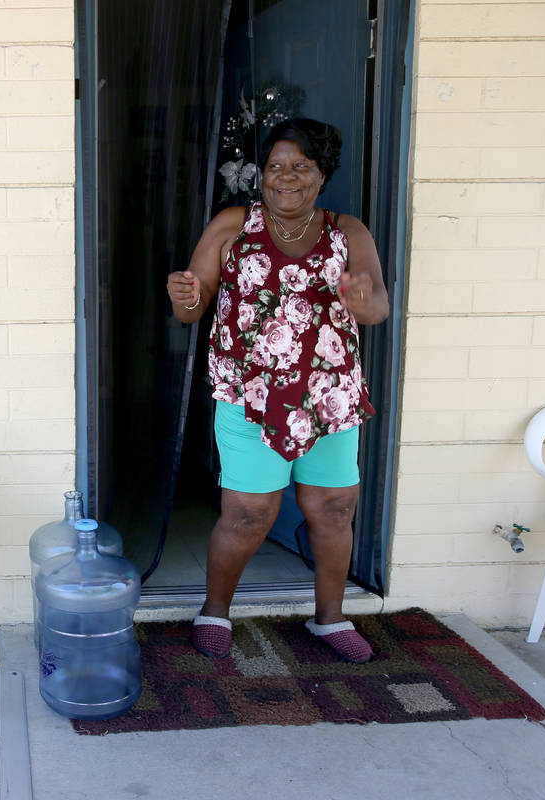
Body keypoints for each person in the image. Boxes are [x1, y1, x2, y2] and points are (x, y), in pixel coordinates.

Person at [165, 118, 389, 663]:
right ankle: (215, 610)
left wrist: (362, 303)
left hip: (329, 399)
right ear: (261, 173)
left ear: (322, 175)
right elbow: (192, 310)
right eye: (274, 167)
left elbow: (378, 307)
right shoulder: (232, 225)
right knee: (247, 514)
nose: (284, 177)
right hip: (250, 397)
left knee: (333, 509)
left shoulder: (348, 232)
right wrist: (183, 294)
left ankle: (331, 619)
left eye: (300, 167)